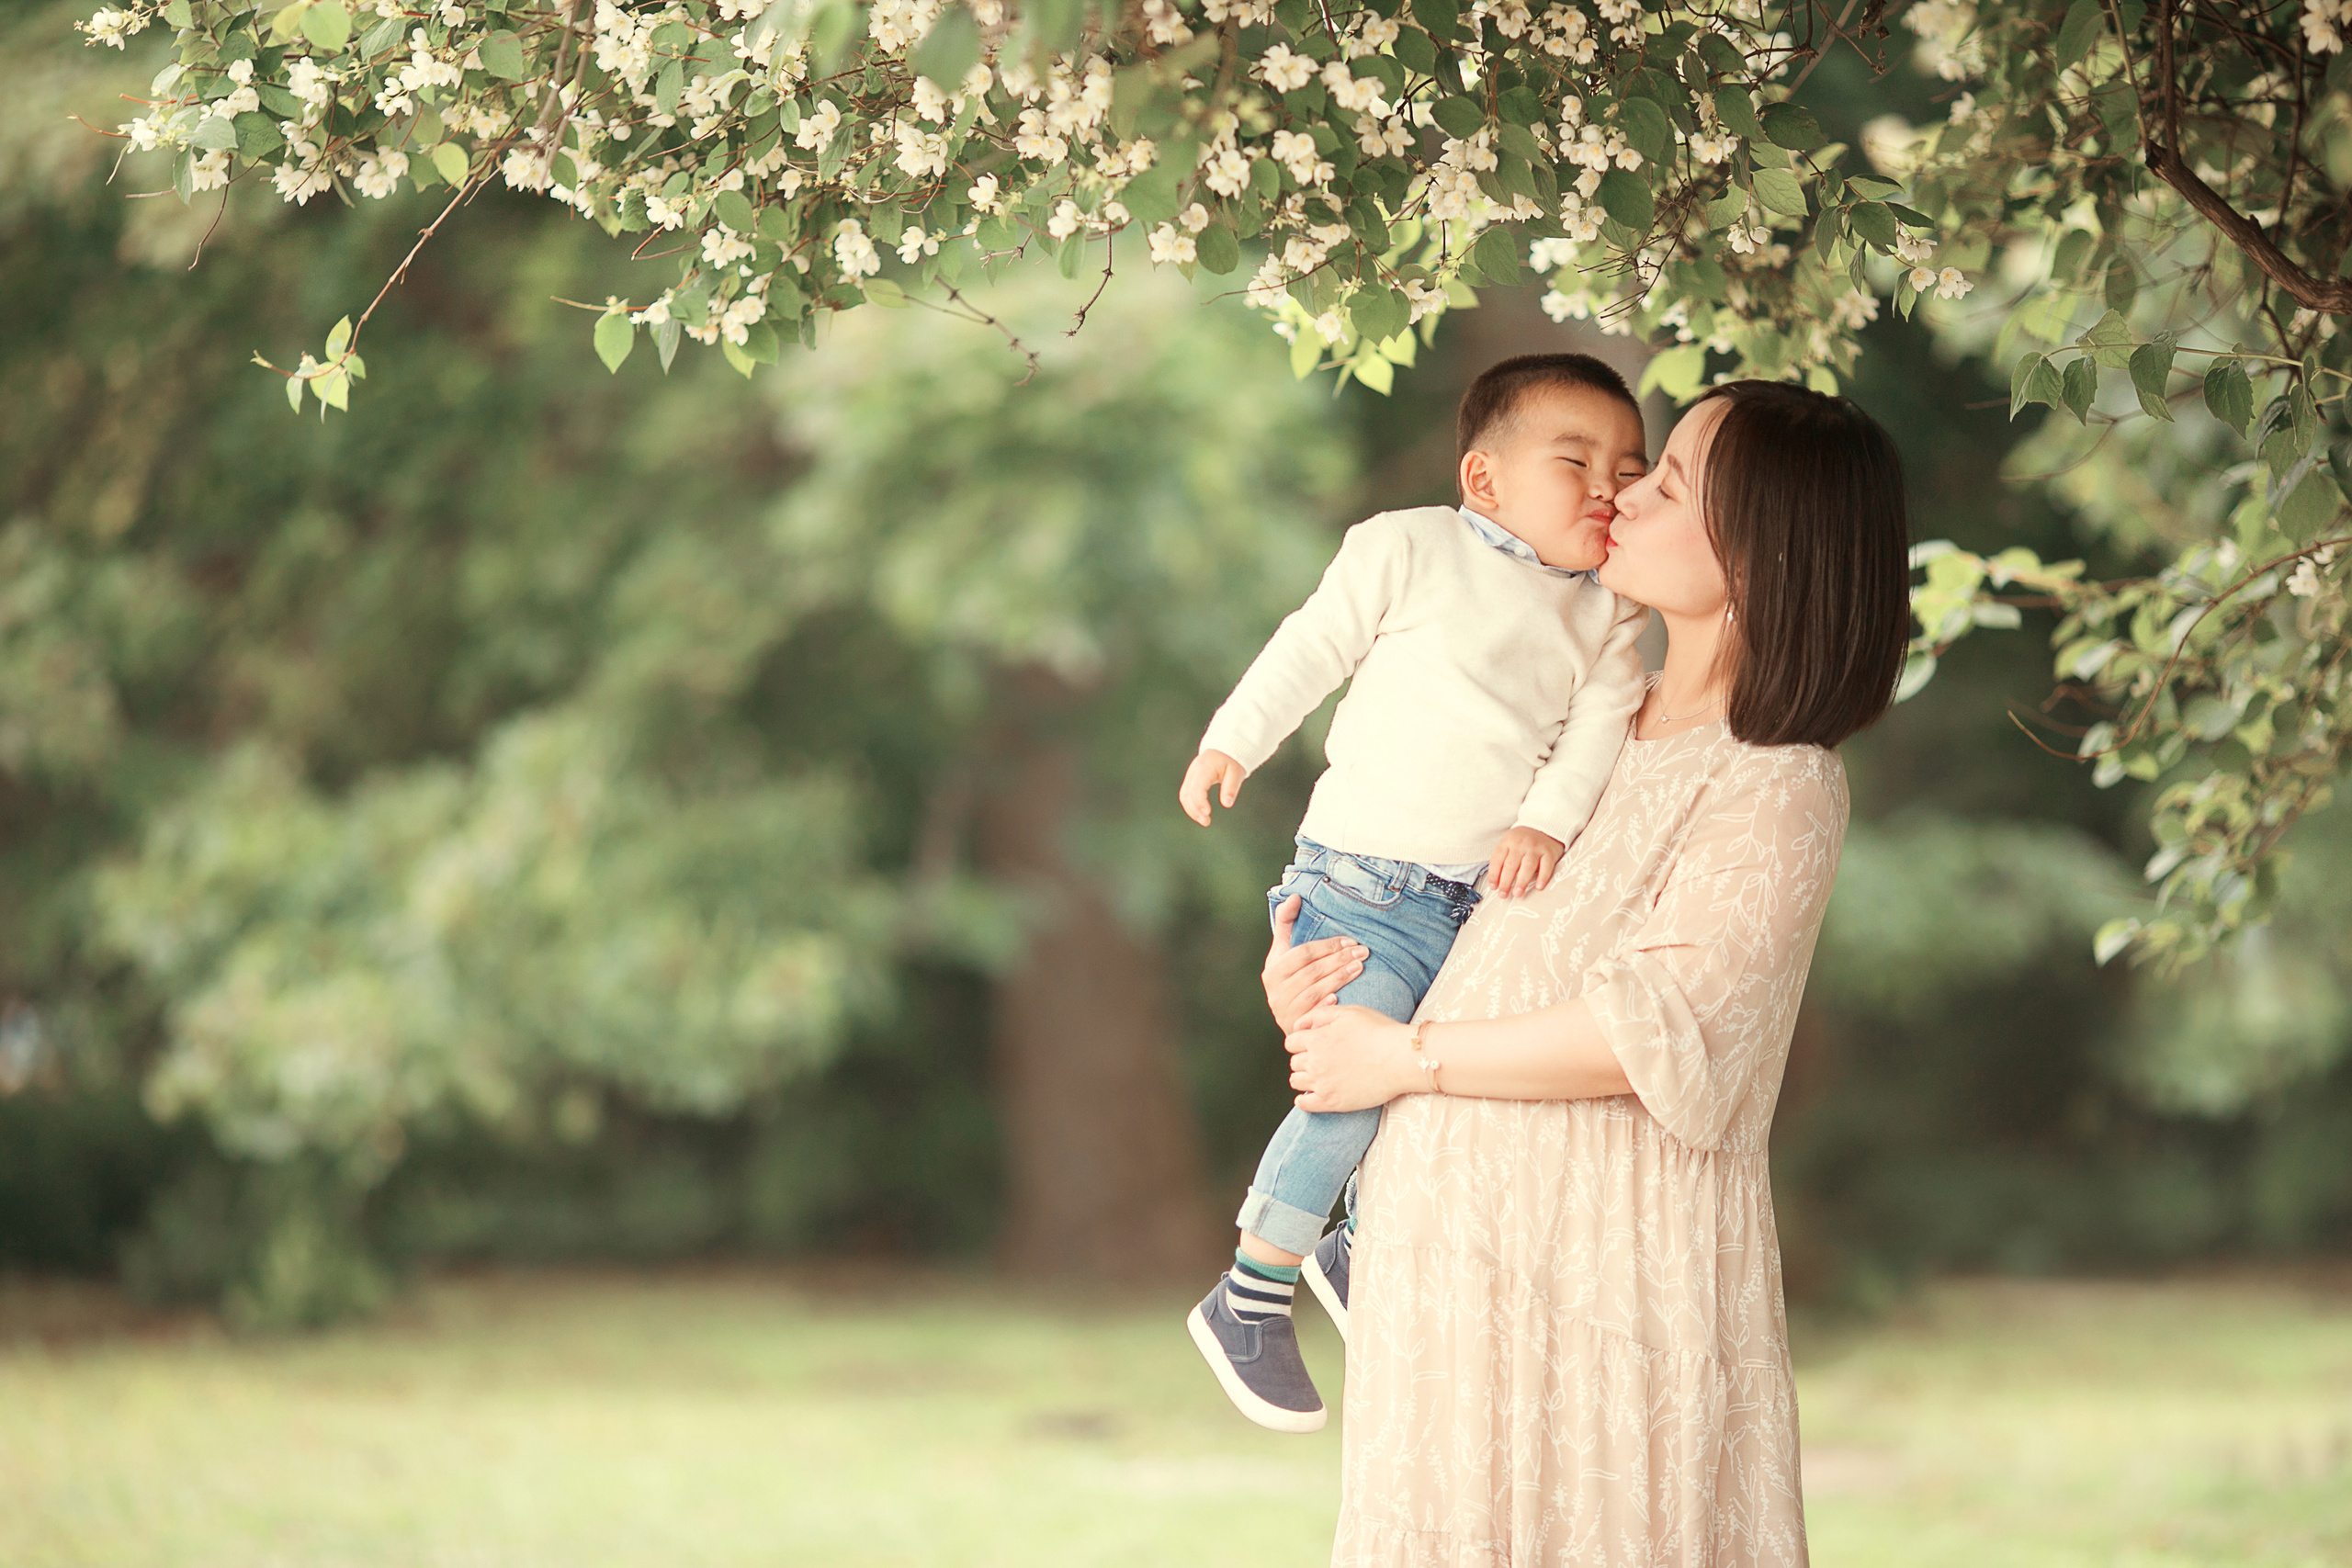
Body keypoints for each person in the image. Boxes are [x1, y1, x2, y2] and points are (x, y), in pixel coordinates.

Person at [1268, 379, 1911, 1564]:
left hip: (1609, 1288)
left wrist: (1400, 1056)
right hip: (1449, 1283)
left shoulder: (1774, 782)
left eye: (1666, 482)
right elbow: (1431, 919)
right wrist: (1321, 975)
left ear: (1756, 551)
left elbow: (1654, 1033)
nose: (1621, 495)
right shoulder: (1580, 727)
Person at [1178, 354, 1654, 1433]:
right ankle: (1250, 1293)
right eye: (1573, 461)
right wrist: (1233, 741)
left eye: (1627, 469)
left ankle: (1352, 1247)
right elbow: (1311, 648)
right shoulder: (1407, 546)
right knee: (1351, 1081)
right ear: (1484, 481)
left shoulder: (1612, 613)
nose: (1606, 488)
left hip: (1478, 902)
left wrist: (1546, 821)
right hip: (1362, 882)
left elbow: (1590, 735)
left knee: (1431, 1092)